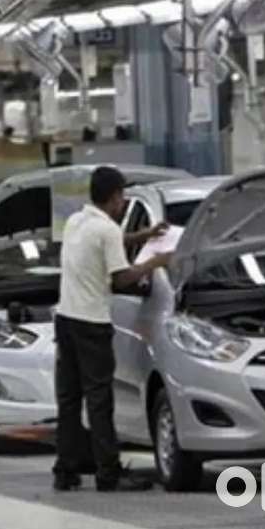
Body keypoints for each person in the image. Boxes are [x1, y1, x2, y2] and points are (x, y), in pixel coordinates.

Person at [52, 166, 173, 492]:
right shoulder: (106, 230)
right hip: (92, 324)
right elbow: (121, 279)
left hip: (66, 320)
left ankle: (65, 470)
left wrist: (145, 235)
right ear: (116, 197)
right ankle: (109, 473)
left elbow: (109, 243)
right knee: (99, 400)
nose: (122, 202)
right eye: (122, 197)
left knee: (69, 399)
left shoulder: (76, 221)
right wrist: (155, 262)